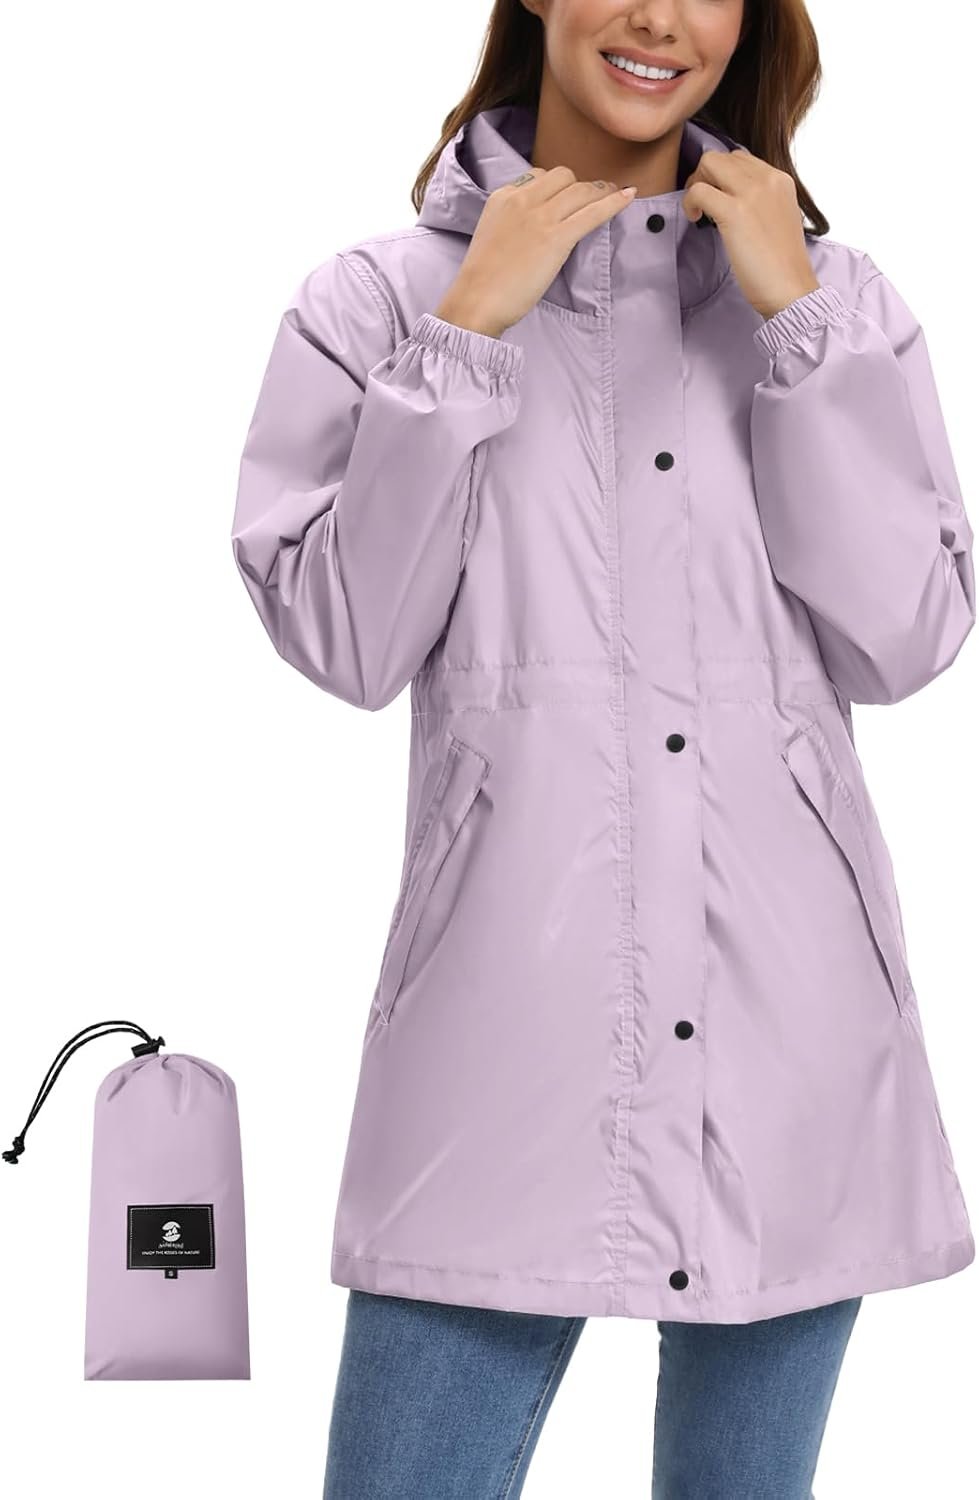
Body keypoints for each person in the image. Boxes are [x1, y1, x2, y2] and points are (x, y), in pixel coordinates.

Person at [230, 1, 976, 1494]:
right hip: (506, 1035)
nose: (657, 17)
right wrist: (464, 339)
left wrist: (796, 327)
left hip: (790, 1041)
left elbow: (903, 638)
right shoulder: (376, 303)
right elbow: (346, 639)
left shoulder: (836, 301)